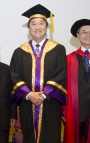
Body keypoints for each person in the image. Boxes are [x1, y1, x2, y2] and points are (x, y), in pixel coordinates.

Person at [10, 4, 67, 143]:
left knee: (50, 135)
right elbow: (14, 75)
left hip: (50, 102)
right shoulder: (19, 51)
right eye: (33, 24)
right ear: (29, 28)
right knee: (29, 136)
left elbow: (61, 73)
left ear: (46, 27)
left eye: (41, 23)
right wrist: (29, 94)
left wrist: (43, 94)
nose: (37, 27)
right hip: (27, 102)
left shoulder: (58, 49)